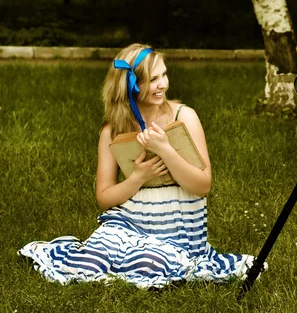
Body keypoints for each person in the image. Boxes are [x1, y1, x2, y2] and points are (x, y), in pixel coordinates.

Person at [19, 44, 260, 288]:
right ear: (131, 86)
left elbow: (203, 185)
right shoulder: (112, 130)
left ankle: (148, 257)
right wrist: (138, 177)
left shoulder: (184, 117)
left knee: (151, 264)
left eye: (164, 75)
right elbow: (104, 198)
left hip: (177, 228)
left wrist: (165, 150)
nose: (163, 84)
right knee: (92, 259)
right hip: (129, 220)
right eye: (153, 79)